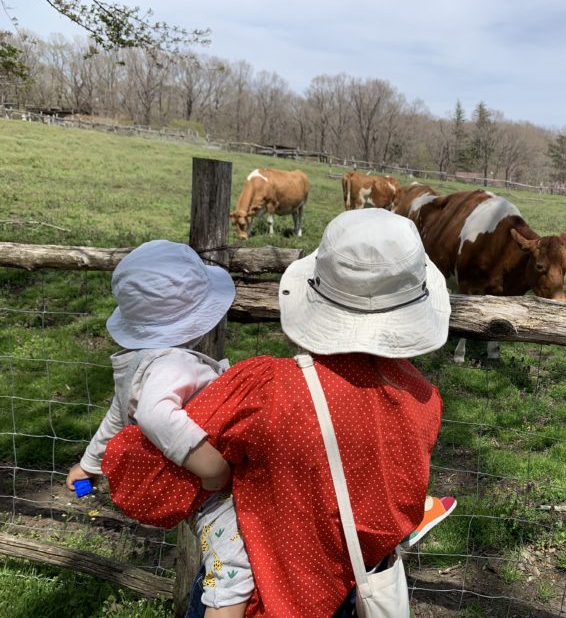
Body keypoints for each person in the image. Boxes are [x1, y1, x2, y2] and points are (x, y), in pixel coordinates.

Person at [101, 209, 453, 617]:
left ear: (317, 292)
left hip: (255, 601)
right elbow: (388, 515)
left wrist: (209, 467)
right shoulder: (423, 401)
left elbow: (145, 482)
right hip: (344, 598)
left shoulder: (264, 388)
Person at [65, 240, 252, 618]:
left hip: (187, 489)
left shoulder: (134, 366)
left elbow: (116, 420)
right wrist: (213, 470)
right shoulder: (172, 363)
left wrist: (89, 465)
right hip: (214, 496)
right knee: (234, 567)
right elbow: (153, 414)